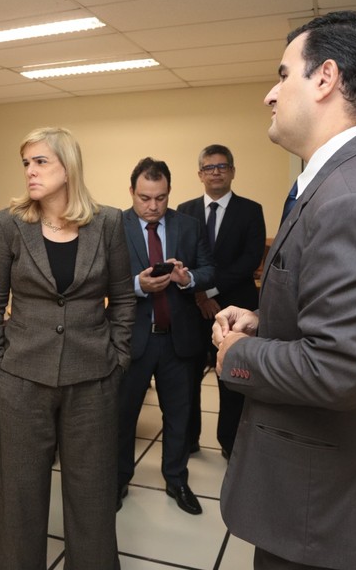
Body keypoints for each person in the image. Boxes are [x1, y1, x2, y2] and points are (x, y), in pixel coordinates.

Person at [212, 11, 356, 569]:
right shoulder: (349, 177)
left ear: (325, 78)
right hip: (327, 498)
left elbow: (340, 368)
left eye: (282, 74)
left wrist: (237, 356)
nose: (270, 94)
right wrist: (266, 322)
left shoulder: (351, 198)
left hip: (330, 512)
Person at [0, 126, 135, 570]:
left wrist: (118, 359)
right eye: (26, 162)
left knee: (92, 497)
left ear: (68, 169)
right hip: (23, 379)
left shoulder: (106, 222)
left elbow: (123, 298)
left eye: (40, 161)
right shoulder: (9, 224)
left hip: (93, 380)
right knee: (20, 499)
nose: (30, 170)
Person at [118, 157, 214, 515]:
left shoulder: (188, 226)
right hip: (133, 339)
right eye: (145, 198)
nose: (153, 206)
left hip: (178, 339)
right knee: (124, 416)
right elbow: (100, 280)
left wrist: (188, 279)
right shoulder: (115, 226)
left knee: (179, 415)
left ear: (169, 192)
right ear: (132, 192)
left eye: (160, 198)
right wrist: (137, 285)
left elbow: (208, 269)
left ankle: (176, 479)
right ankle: (118, 479)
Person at [176, 145, 266, 458]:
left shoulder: (251, 210)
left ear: (232, 171)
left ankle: (230, 443)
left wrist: (209, 292)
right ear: (200, 173)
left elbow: (250, 260)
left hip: (236, 312)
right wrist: (199, 295)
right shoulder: (183, 211)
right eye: (209, 167)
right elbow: (182, 262)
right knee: (187, 380)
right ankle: (187, 440)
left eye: (222, 166)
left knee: (232, 380)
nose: (216, 171)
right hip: (192, 309)